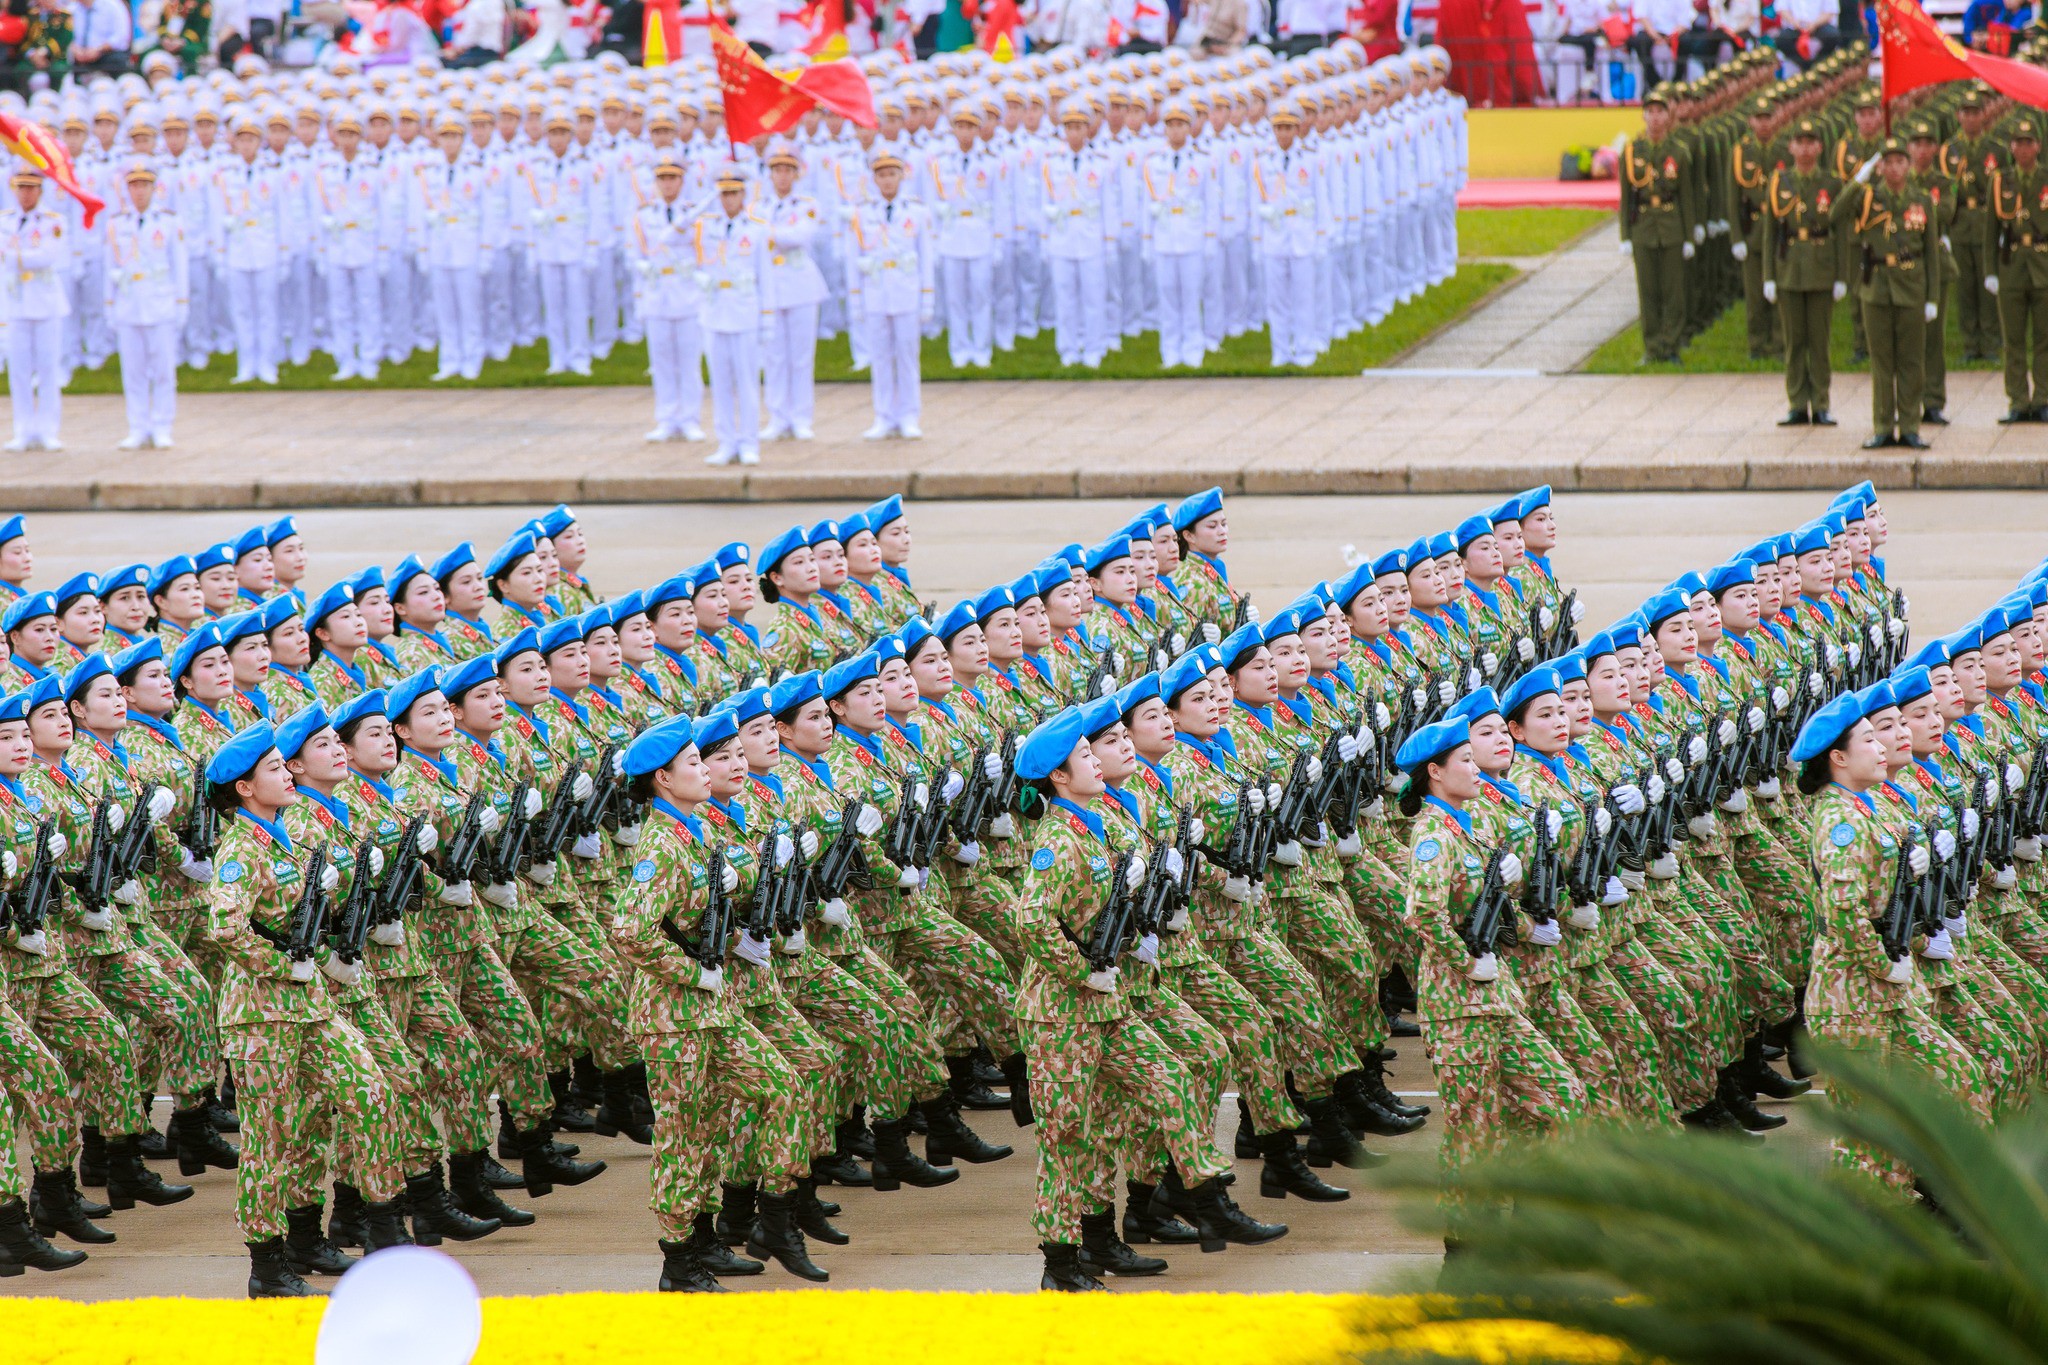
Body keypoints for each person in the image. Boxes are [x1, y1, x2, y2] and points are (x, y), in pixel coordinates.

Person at [1848, 137, 1936, 451]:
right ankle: (1883, 427)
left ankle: (1910, 427)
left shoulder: (1921, 200)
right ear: (1880, 167)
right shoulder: (1868, 197)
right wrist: (1859, 179)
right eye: (1888, 162)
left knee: (1911, 362)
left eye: (1901, 161)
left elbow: (1931, 253)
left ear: (1908, 166)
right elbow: (1836, 212)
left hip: (1911, 287)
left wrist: (1932, 297)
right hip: (1877, 289)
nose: (1895, 168)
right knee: (1882, 363)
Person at [844, 151, 933, 441]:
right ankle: (883, 415)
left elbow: (926, 257)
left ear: (901, 176)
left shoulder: (916, 211)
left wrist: (927, 297)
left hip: (906, 291)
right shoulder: (861, 213)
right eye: (881, 175)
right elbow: (853, 258)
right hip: (876, 291)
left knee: (907, 355)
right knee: (880, 356)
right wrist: (855, 299)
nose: (887, 181)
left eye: (892, 174)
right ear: (873, 179)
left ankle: (909, 415)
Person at [1762, 118, 1843, 429]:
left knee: (1819, 342)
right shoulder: (1779, 182)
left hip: (1821, 267)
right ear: (1791, 147)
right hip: (1790, 268)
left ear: (1820, 147)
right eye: (1800, 142)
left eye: (1811, 142)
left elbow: (1841, 232)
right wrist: (1769, 276)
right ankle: (1797, 403)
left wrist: (1841, 276)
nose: (1806, 148)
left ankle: (1821, 403)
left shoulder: (1831, 183)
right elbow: (1770, 232)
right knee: (1795, 341)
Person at [104, 164, 188, 452]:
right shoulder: (117, 223)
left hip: (159, 302)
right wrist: (109, 304)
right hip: (129, 304)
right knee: (133, 371)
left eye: (144, 186)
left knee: (163, 370)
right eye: (134, 186)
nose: (139, 192)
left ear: (154, 188)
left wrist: (181, 303)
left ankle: (163, 426)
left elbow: (179, 265)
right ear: (127, 190)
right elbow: (109, 267)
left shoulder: (168, 222)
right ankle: (138, 427)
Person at [691, 166, 770, 468]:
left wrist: (768, 319)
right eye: (723, 194)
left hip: (744, 311)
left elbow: (766, 277)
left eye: (733, 193)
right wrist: (704, 203)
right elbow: (671, 235)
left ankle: (749, 442)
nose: (728, 200)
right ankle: (726, 442)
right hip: (714, 311)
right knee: (720, 383)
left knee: (746, 382)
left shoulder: (757, 229)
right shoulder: (704, 226)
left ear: (743, 195)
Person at [1619, 87, 1698, 366]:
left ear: (1668, 116)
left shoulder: (1678, 151)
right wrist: (1625, 235)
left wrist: (1689, 236)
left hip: (1671, 225)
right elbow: (1626, 197)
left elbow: (1686, 197)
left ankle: (1671, 345)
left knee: (1673, 292)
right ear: (1643, 116)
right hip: (1643, 227)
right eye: (1650, 112)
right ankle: (1652, 347)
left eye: (1660, 112)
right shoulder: (1632, 152)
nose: (1654, 117)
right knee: (1648, 290)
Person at [630, 156, 706, 444]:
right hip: (657, 292)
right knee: (661, 360)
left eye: (672, 178)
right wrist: (641, 271)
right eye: (662, 178)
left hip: (687, 293)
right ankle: (666, 417)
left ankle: (690, 419)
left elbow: (706, 252)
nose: (667, 184)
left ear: (682, 180)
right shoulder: (644, 215)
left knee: (688, 360)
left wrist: (696, 270)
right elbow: (635, 253)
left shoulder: (694, 213)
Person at [759, 147, 826, 443]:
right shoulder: (757, 207)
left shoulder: (807, 205)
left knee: (800, 356)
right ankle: (778, 416)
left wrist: (769, 234)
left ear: (796, 174)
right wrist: (774, 234)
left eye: (788, 170)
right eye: (777, 170)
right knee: (774, 356)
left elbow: (801, 236)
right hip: (771, 286)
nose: (782, 176)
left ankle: (801, 417)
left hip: (801, 285)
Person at [2, 169, 70, 453]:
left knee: (47, 369)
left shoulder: (53, 221)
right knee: (18, 371)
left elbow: (47, 256)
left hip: (45, 303)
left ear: (40, 191)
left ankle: (47, 430)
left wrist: (12, 257)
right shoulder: (5, 221)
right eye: (22, 188)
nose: (26, 194)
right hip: (16, 303)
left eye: (31, 188)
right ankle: (24, 429)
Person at [1991, 118, 2048, 425]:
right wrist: (1990, 271)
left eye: (2029, 142)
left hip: (2043, 267)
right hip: (2011, 267)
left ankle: (2043, 399)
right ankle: (2018, 400)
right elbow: (1990, 230)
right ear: (2011, 147)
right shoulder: (2001, 181)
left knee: (2044, 338)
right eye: (2018, 143)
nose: (2023, 148)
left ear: (2038, 146)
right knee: (2012, 340)